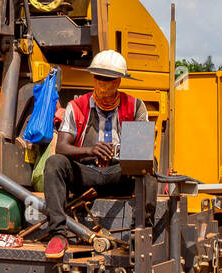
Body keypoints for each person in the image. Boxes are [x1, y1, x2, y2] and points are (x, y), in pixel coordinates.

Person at [42, 50, 147, 259]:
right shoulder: (76, 106)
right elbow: (62, 147)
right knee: (54, 163)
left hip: (119, 174)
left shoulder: (136, 107)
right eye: (99, 78)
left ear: (118, 82)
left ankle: (141, 233)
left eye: (109, 80)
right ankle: (58, 235)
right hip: (86, 175)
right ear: (92, 78)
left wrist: (118, 155)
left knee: (148, 166)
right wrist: (90, 151)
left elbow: (140, 152)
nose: (103, 85)